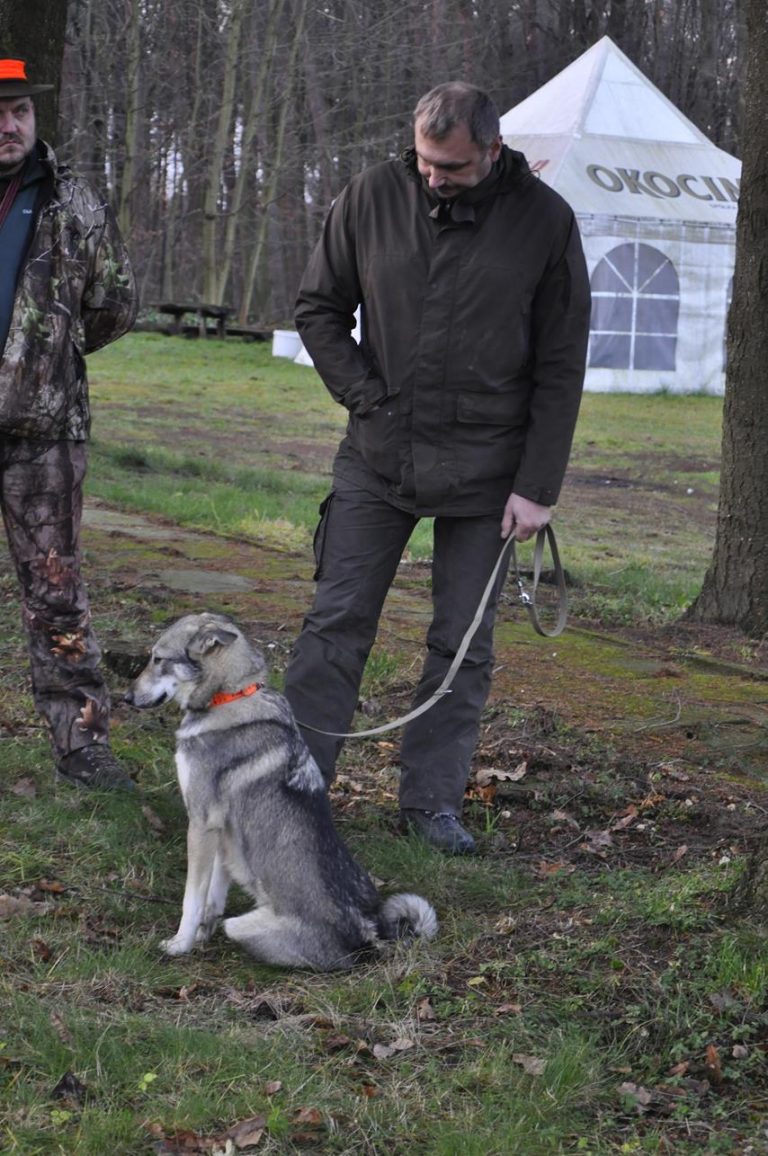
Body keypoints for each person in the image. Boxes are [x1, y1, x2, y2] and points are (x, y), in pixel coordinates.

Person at [283, 82, 591, 853]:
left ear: (492, 150)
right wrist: (366, 398)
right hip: (378, 457)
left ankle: (430, 805)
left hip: (489, 474)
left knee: (462, 642)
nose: (432, 178)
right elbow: (318, 309)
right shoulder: (372, 197)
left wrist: (537, 488)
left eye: (450, 167)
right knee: (334, 622)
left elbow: (561, 365)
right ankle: (293, 788)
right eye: (423, 160)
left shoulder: (546, 223)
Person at [0, 59, 138, 790]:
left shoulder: (71, 200)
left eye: (19, 110)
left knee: (55, 594)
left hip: (44, 436)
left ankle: (81, 742)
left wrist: (44, 359)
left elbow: (116, 303)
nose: (8, 125)